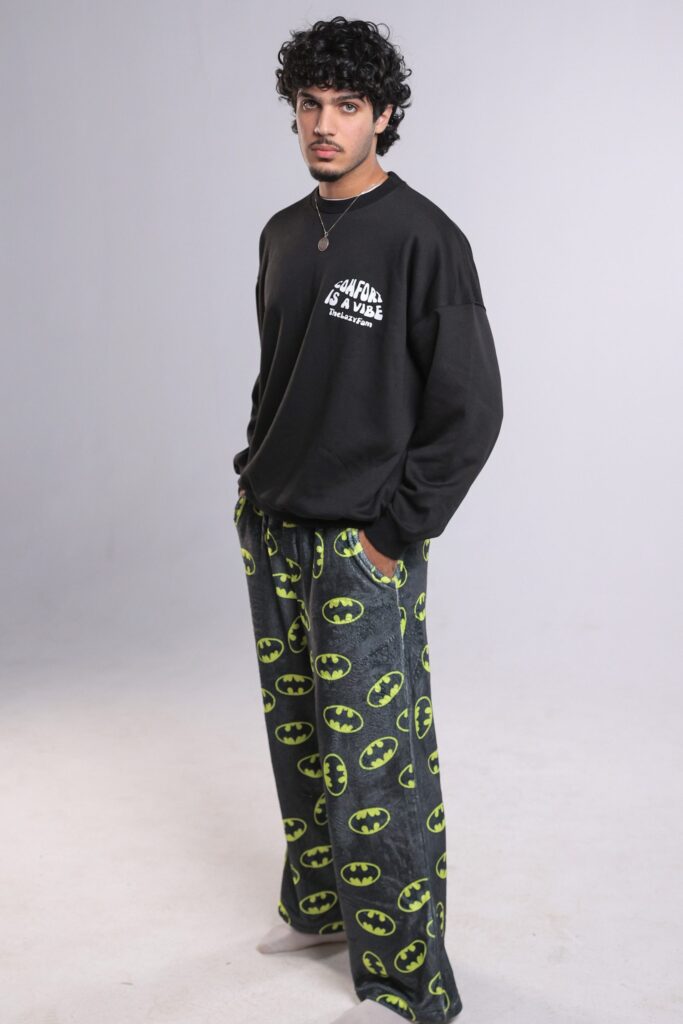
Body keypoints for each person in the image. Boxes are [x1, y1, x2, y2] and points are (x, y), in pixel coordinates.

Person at [232, 15, 503, 1024]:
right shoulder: (279, 233)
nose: (323, 123)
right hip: (273, 526)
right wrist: (252, 478)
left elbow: (470, 408)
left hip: (359, 543)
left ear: (382, 116)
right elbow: (280, 374)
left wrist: (393, 533)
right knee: (298, 739)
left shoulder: (425, 238)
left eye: (346, 105)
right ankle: (318, 907)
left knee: (375, 766)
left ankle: (403, 981)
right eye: (309, 104)